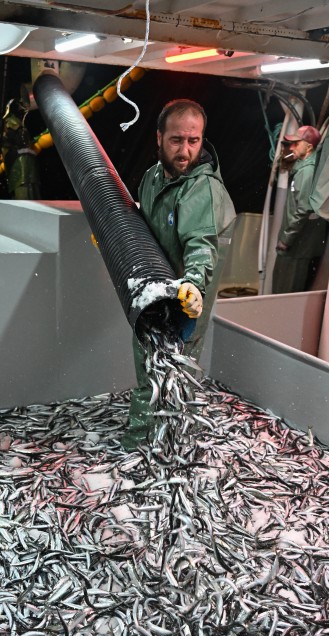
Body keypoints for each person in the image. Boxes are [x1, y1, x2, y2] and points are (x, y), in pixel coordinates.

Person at [121, 98, 236, 450]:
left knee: (174, 371)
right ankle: (147, 442)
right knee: (147, 360)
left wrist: (194, 284)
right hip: (158, 291)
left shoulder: (203, 188)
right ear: (159, 138)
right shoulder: (152, 178)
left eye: (193, 141)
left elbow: (201, 244)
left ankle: (163, 448)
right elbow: (147, 223)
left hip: (187, 299)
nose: (185, 151)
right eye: (176, 140)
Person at [273, 124, 327, 294]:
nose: (292, 147)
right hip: (298, 247)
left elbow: (303, 210)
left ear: (309, 147)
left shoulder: (307, 172)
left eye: (296, 143)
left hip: (297, 248)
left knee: (284, 293)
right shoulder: (304, 168)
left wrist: (286, 239)